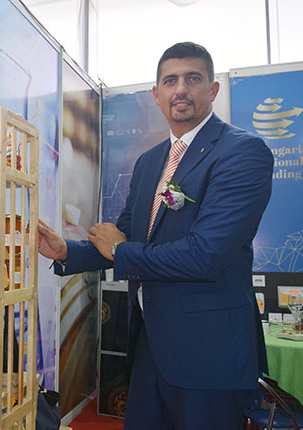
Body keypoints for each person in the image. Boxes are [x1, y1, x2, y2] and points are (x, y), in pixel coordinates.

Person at [38, 42, 273, 430]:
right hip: (150, 346)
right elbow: (127, 235)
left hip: (209, 355)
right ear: (157, 95)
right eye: (170, 80)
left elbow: (205, 255)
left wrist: (120, 249)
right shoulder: (150, 162)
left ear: (212, 90)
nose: (180, 89)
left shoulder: (242, 152)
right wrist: (68, 250)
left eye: (192, 78)